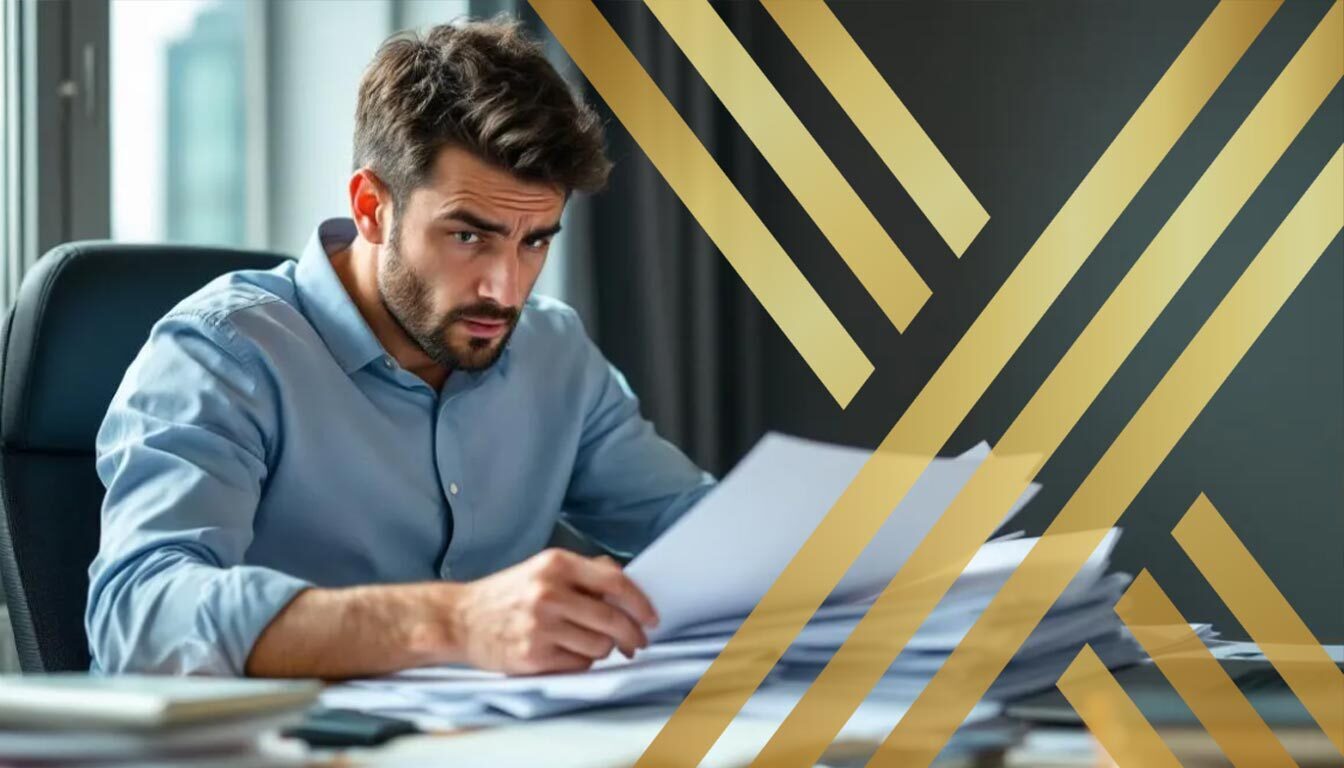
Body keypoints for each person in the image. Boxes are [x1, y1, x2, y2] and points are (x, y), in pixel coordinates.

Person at [85, 18, 714, 679]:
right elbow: (139, 618)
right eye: (469, 237)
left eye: (534, 242)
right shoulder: (222, 355)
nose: (505, 290)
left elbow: (691, 526)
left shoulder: (553, 352)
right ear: (371, 207)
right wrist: (452, 622)